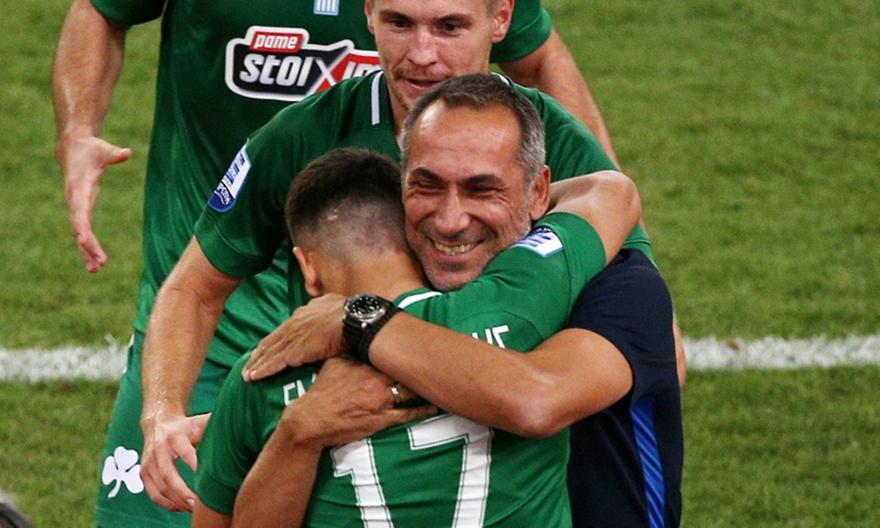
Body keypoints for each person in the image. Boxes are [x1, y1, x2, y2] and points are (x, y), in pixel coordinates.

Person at [52, 0, 620, 525]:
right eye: (400, 24)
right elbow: (194, 287)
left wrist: (362, 325)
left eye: (448, 28)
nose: (422, 54)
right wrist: (161, 411)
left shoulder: (546, 137)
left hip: (472, 386)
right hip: (283, 373)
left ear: (501, 19)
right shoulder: (302, 134)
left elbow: (623, 290)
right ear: (368, 13)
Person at [236, 75, 682, 526]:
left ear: (539, 192)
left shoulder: (619, 287)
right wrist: (285, 427)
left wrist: (358, 320)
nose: (450, 221)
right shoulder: (402, 292)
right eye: (427, 186)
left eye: (482, 189)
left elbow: (537, 399)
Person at [192, 139, 627, 526]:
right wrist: (514, 196)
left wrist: (294, 435)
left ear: (308, 266)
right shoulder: (517, 301)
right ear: (412, 233)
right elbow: (611, 190)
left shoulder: (262, 373)